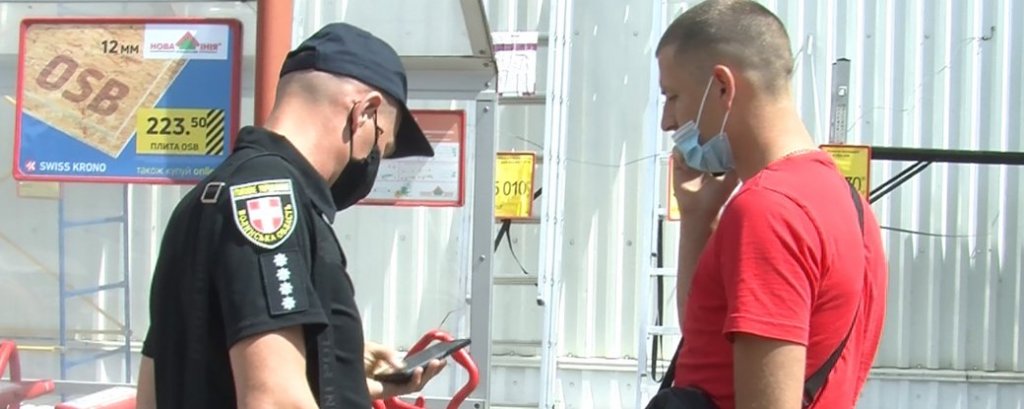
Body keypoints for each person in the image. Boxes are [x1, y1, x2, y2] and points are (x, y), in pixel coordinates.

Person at [135, 23, 447, 408]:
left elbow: (156, 386)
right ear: (364, 112)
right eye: (381, 144)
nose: (373, 160)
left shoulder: (200, 201)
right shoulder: (269, 202)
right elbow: (274, 399)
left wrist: (339, 363)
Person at [654, 1, 888, 408]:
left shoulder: (768, 210)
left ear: (722, 86)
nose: (667, 121)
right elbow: (706, 343)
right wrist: (698, 217)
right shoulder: (850, 205)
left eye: (673, 96)